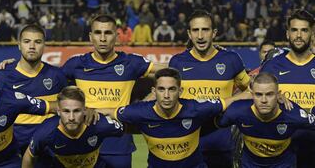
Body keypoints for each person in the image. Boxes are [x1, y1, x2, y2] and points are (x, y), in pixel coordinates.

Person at [62, 14, 164, 168]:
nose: (103, 38)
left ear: (116, 36)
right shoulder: (76, 64)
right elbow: (52, 88)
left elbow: (170, 72)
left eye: (108, 33)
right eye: (98, 33)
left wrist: (148, 100)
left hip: (118, 144)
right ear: (91, 36)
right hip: (82, 143)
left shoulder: (130, 63)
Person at [97, 68, 249, 168]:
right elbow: (109, 112)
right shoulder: (140, 112)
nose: (167, 95)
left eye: (172, 89)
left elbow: (229, 101)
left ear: (180, 91)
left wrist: (253, 92)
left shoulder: (196, 108)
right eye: (161, 89)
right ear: (153, 91)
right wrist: (87, 112)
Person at [169, 9, 251, 168]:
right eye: (195, 30)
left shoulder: (231, 60)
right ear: (189, 34)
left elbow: (252, 90)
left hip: (221, 146)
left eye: (205, 30)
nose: (200, 36)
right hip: (185, 147)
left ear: (214, 33)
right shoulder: (177, 62)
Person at [0, 24, 68, 154]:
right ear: (19, 45)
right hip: (11, 146)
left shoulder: (57, 75)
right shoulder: (2, 75)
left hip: (46, 146)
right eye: (27, 41)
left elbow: (68, 106)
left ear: (44, 45)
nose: (32, 46)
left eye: (38, 42)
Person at [216, 72, 315, 167]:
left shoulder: (294, 114)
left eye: (269, 94)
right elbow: (212, 124)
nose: (264, 100)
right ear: (252, 94)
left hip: (283, 164)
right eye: (258, 94)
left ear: (278, 94)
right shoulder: (237, 111)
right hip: (250, 163)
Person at [260, 9, 315, 168]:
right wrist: (272, 97)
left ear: (311, 34)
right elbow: (254, 102)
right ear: (287, 34)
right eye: (294, 30)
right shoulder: (272, 66)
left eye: (304, 30)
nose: (299, 35)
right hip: (279, 149)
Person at [22, 86, 124, 168]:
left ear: (85, 110)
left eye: (76, 111)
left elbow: (125, 126)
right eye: (66, 111)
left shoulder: (99, 124)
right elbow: (29, 156)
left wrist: (99, 111)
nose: (71, 118)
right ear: (58, 111)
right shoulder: (46, 131)